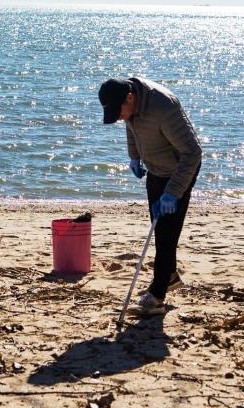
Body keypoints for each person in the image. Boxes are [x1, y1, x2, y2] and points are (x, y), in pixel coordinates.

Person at [99, 77, 202, 316]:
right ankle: (170, 276)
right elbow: (130, 124)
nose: (119, 116)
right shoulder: (130, 102)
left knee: (166, 233)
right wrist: (134, 156)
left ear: (130, 98)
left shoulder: (163, 108)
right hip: (156, 168)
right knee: (159, 229)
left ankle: (157, 297)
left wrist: (173, 193)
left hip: (179, 171)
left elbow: (193, 153)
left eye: (119, 110)